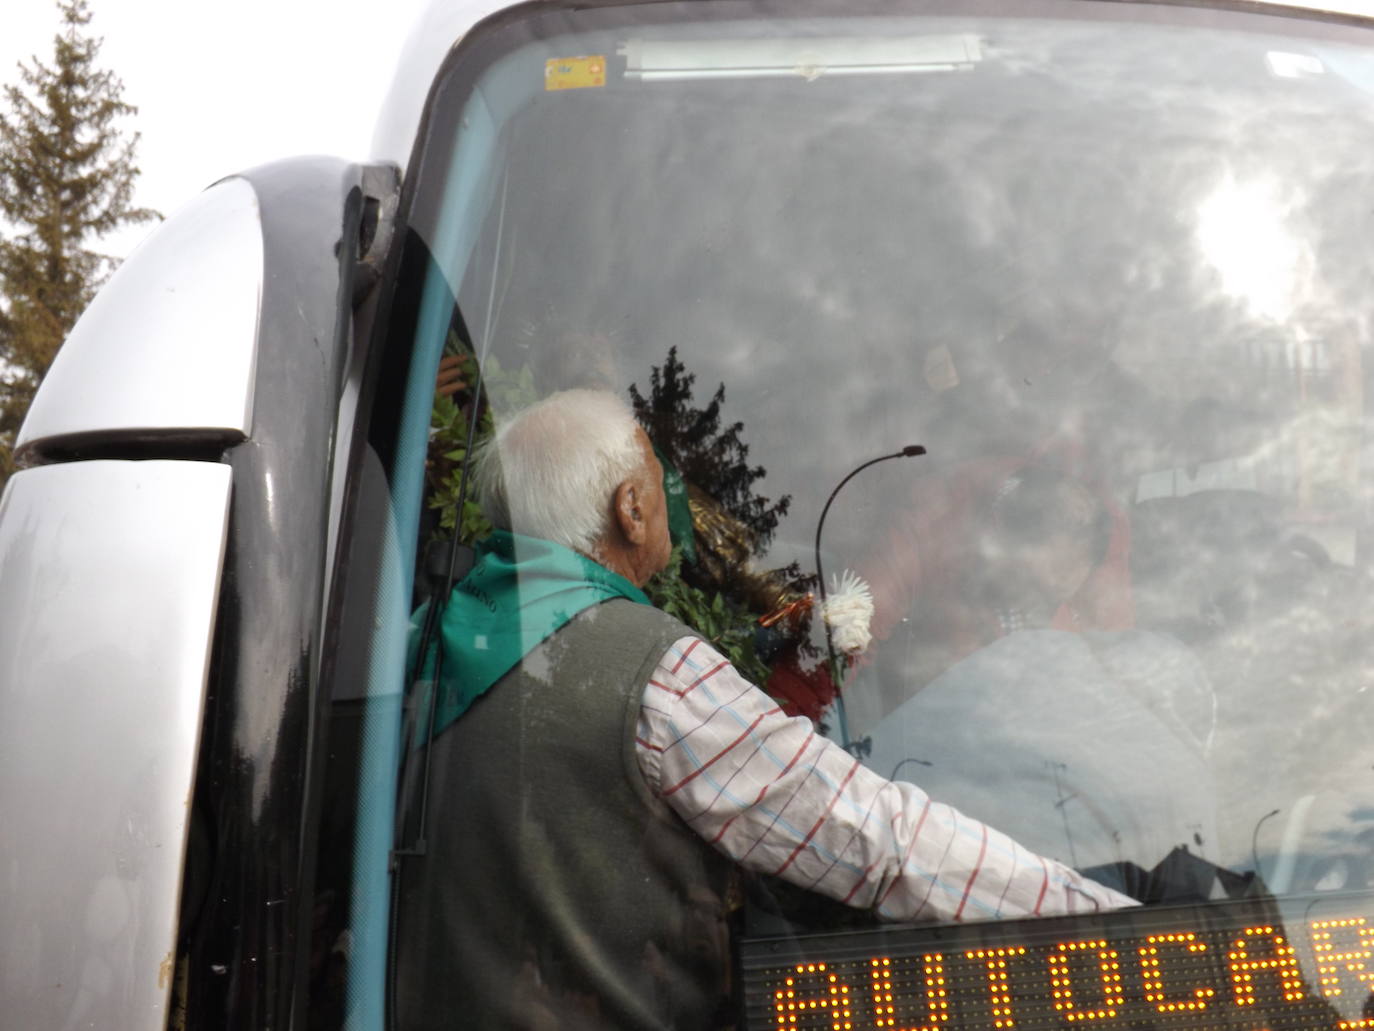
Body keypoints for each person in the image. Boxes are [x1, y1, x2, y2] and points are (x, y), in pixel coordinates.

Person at [394, 389, 1133, 1031]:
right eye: (658, 472)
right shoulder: (657, 675)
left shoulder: (422, 644)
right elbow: (875, 839)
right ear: (631, 506)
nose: (672, 490)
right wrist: (1107, 919)